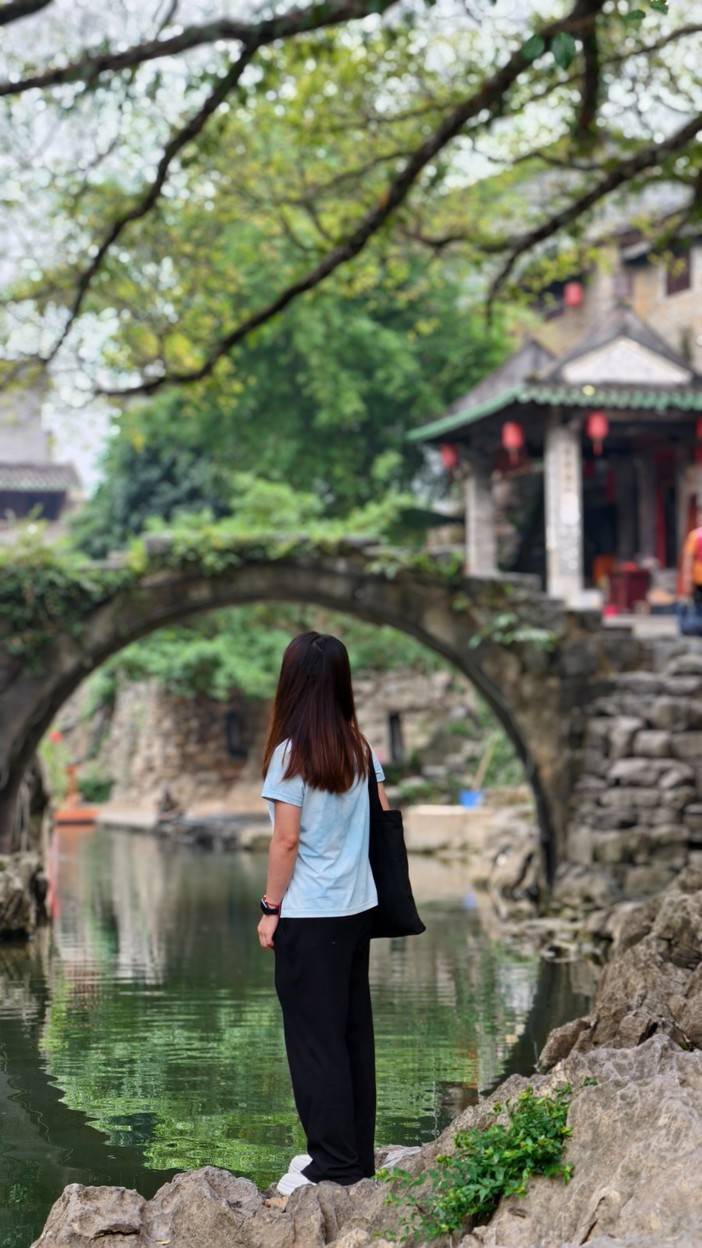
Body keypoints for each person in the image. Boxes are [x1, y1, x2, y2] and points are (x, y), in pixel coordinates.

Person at [257, 631, 389, 1196]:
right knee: (352, 1034)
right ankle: (355, 1157)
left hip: (309, 915)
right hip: (357, 910)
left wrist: (270, 909)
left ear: (292, 682)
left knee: (315, 1041)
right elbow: (383, 819)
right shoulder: (359, 747)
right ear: (340, 681)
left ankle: (331, 1165)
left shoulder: (291, 754)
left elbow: (286, 841)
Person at [680, 507, 702, 608]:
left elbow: (688, 560)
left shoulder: (695, 535)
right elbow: (688, 559)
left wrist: (687, 579)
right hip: (698, 578)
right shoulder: (695, 536)